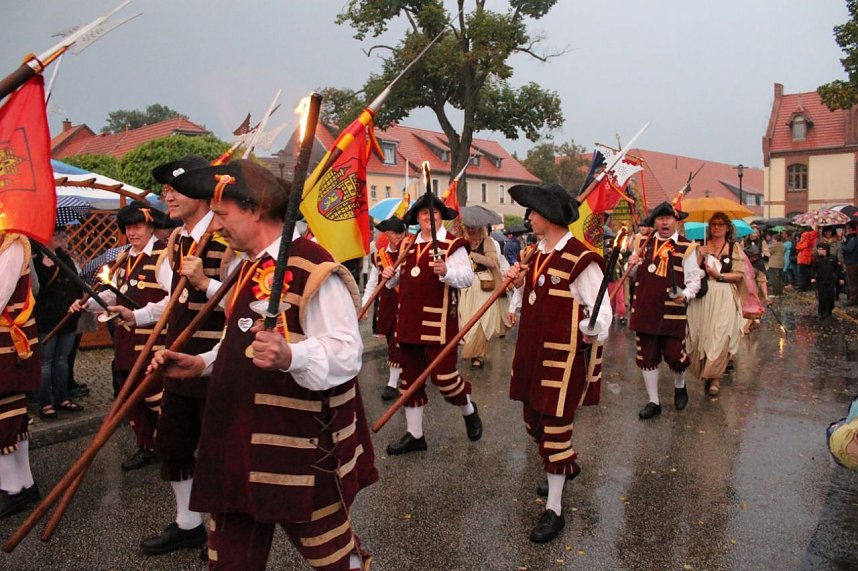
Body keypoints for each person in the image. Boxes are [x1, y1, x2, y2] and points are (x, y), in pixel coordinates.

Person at [147, 159, 376, 571]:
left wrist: (291, 355)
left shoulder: (314, 267)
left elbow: (346, 354)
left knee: (333, 558)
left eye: (222, 215)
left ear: (254, 209)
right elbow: (241, 344)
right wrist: (200, 363)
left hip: (294, 450)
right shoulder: (246, 266)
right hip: (233, 444)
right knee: (231, 562)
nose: (215, 227)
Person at [112, 155, 228, 555]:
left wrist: (207, 282)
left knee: (218, 450)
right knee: (174, 444)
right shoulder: (177, 240)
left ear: (200, 190)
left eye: (174, 188)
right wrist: (138, 314)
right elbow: (170, 301)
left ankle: (223, 530)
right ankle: (188, 523)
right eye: (165, 189)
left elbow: (247, 306)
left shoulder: (229, 236)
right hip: (177, 357)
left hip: (216, 360)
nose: (167, 197)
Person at [504, 183, 611, 543]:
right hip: (532, 354)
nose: (529, 217)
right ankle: (563, 466)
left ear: (548, 217)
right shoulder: (536, 252)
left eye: (533, 212)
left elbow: (603, 311)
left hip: (562, 360)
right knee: (533, 422)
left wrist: (589, 327)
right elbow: (531, 297)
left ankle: (554, 510)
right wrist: (517, 287)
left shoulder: (582, 259)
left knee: (554, 430)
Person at [70, 201, 170, 470]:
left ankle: (171, 446)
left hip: (152, 340)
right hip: (126, 339)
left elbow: (173, 302)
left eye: (138, 227)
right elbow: (113, 293)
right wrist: (88, 302)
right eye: (128, 228)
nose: (133, 233)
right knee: (131, 396)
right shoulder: (125, 257)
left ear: (151, 227)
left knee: (156, 395)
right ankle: (146, 445)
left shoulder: (164, 256)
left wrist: (140, 315)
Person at [381, 192, 482, 455]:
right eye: (424, 213)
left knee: (446, 380)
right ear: (417, 218)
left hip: (439, 325)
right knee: (410, 380)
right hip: (409, 324)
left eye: (434, 213)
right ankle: (415, 436)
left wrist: (447, 272)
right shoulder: (408, 244)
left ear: (441, 217)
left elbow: (467, 278)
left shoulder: (453, 245)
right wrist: (389, 275)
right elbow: (395, 282)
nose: (429, 217)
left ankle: (468, 409)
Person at [627, 202, 702, 419]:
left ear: (676, 222)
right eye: (660, 219)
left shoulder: (687, 247)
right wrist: (630, 264)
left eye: (669, 218)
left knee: (674, 356)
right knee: (647, 356)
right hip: (645, 308)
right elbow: (631, 275)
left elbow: (694, 281)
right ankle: (654, 401)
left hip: (672, 310)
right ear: (655, 223)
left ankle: (680, 385)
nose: (665, 222)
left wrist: (685, 295)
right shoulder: (642, 243)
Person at [0, 233, 41, 518]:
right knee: (12, 411)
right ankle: (23, 484)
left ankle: (13, 489)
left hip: (9, 344)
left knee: (6, 412)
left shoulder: (12, 243)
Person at [686, 212, 745, 397]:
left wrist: (719, 275)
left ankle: (715, 379)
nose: (717, 228)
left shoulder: (734, 248)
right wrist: (698, 257)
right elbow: (690, 272)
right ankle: (704, 371)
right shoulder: (700, 246)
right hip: (703, 295)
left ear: (727, 227)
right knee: (701, 335)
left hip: (724, 295)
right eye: (714, 224)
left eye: (720, 224)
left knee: (719, 336)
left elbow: (739, 275)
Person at [32, 229, 84, 420]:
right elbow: (36, 289)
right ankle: (45, 402)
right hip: (45, 320)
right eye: (57, 235)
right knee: (45, 363)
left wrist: (79, 303)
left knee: (62, 361)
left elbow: (76, 283)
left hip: (67, 319)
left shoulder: (64, 257)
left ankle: (62, 397)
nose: (62, 238)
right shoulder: (35, 260)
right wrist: (45, 267)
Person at [360, 217, 408, 401]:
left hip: (406, 304)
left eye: (400, 233)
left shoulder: (410, 252)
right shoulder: (378, 255)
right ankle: (404, 373)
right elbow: (373, 282)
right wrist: (365, 305)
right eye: (394, 233)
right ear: (386, 234)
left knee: (398, 341)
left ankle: (392, 384)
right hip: (387, 304)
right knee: (391, 340)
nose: (398, 237)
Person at [459, 224, 509, 369]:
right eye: (468, 227)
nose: (471, 230)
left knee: (482, 320)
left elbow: (494, 262)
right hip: (466, 285)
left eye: (474, 227)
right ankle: (473, 349)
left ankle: (479, 355)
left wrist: (476, 256)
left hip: (484, 284)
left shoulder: (487, 242)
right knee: (467, 319)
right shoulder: (462, 242)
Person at [810, 242, 845, 319]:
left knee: (830, 296)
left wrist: (841, 278)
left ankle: (829, 309)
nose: (819, 251)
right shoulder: (817, 259)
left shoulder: (833, 258)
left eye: (821, 249)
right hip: (820, 280)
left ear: (826, 250)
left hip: (831, 280)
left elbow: (838, 269)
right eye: (818, 249)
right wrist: (812, 277)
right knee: (821, 297)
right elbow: (813, 269)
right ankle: (821, 312)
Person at [844, 221, 858, 306]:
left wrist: (842, 246)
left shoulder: (853, 239)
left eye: (847, 228)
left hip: (852, 263)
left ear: (851, 229)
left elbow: (849, 249)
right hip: (854, 261)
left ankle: (853, 300)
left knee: (853, 282)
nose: (846, 230)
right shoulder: (852, 238)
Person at [767, 232, 785, 296]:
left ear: (775, 239)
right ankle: (780, 292)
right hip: (781, 264)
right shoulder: (782, 245)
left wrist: (769, 246)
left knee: (774, 279)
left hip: (774, 264)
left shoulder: (775, 245)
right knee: (780, 279)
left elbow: (768, 251)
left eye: (773, 239)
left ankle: (776, 293)